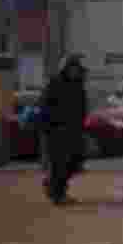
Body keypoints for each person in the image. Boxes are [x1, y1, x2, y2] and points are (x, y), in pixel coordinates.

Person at [39, 54, 89, 205]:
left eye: (77, 69)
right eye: (72, 68)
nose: (75, 71)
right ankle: (58, 194)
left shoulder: (79, 85)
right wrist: (51, 126)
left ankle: (52, 185)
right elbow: (44, 106)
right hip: (55, 131)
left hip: (74, 131)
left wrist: (81, 126)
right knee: (58, 164)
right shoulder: (54, 84)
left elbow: (82, 108)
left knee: (75, 161)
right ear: (65, 69)